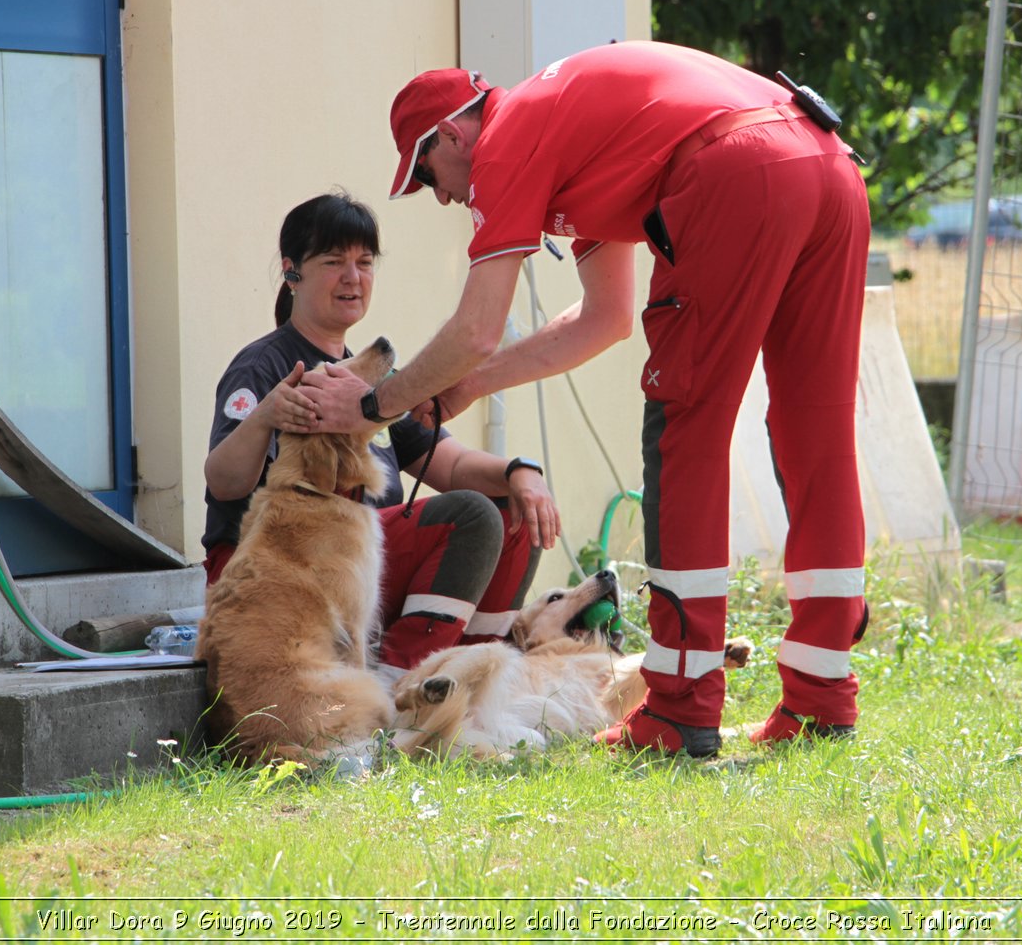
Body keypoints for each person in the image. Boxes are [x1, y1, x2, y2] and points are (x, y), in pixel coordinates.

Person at [301, 41, 872, 757]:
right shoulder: (571, 135)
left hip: (738, 168)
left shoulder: (505, 144)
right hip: (825, 157)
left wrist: (371, 406)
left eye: (428, 175)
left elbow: (476, 326)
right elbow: (604, 318)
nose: (442, 196)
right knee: (814, 429)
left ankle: (679, 706)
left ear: (450, 132)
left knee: (684, 431)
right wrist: (470, 384)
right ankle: (822, 697)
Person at [201, 192, 561, 683]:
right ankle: (396, 688)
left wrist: (520, 472)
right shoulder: (261, 366)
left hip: (358, 569)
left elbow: (450, 465)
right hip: (281, 580)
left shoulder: (374, 378)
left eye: (364, 262)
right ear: (291, 272)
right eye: (334, 261)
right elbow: (223, 484)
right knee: (472, 515)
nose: (354, 277)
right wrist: (265, 416)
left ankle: (466, 679)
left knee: (510, 512)